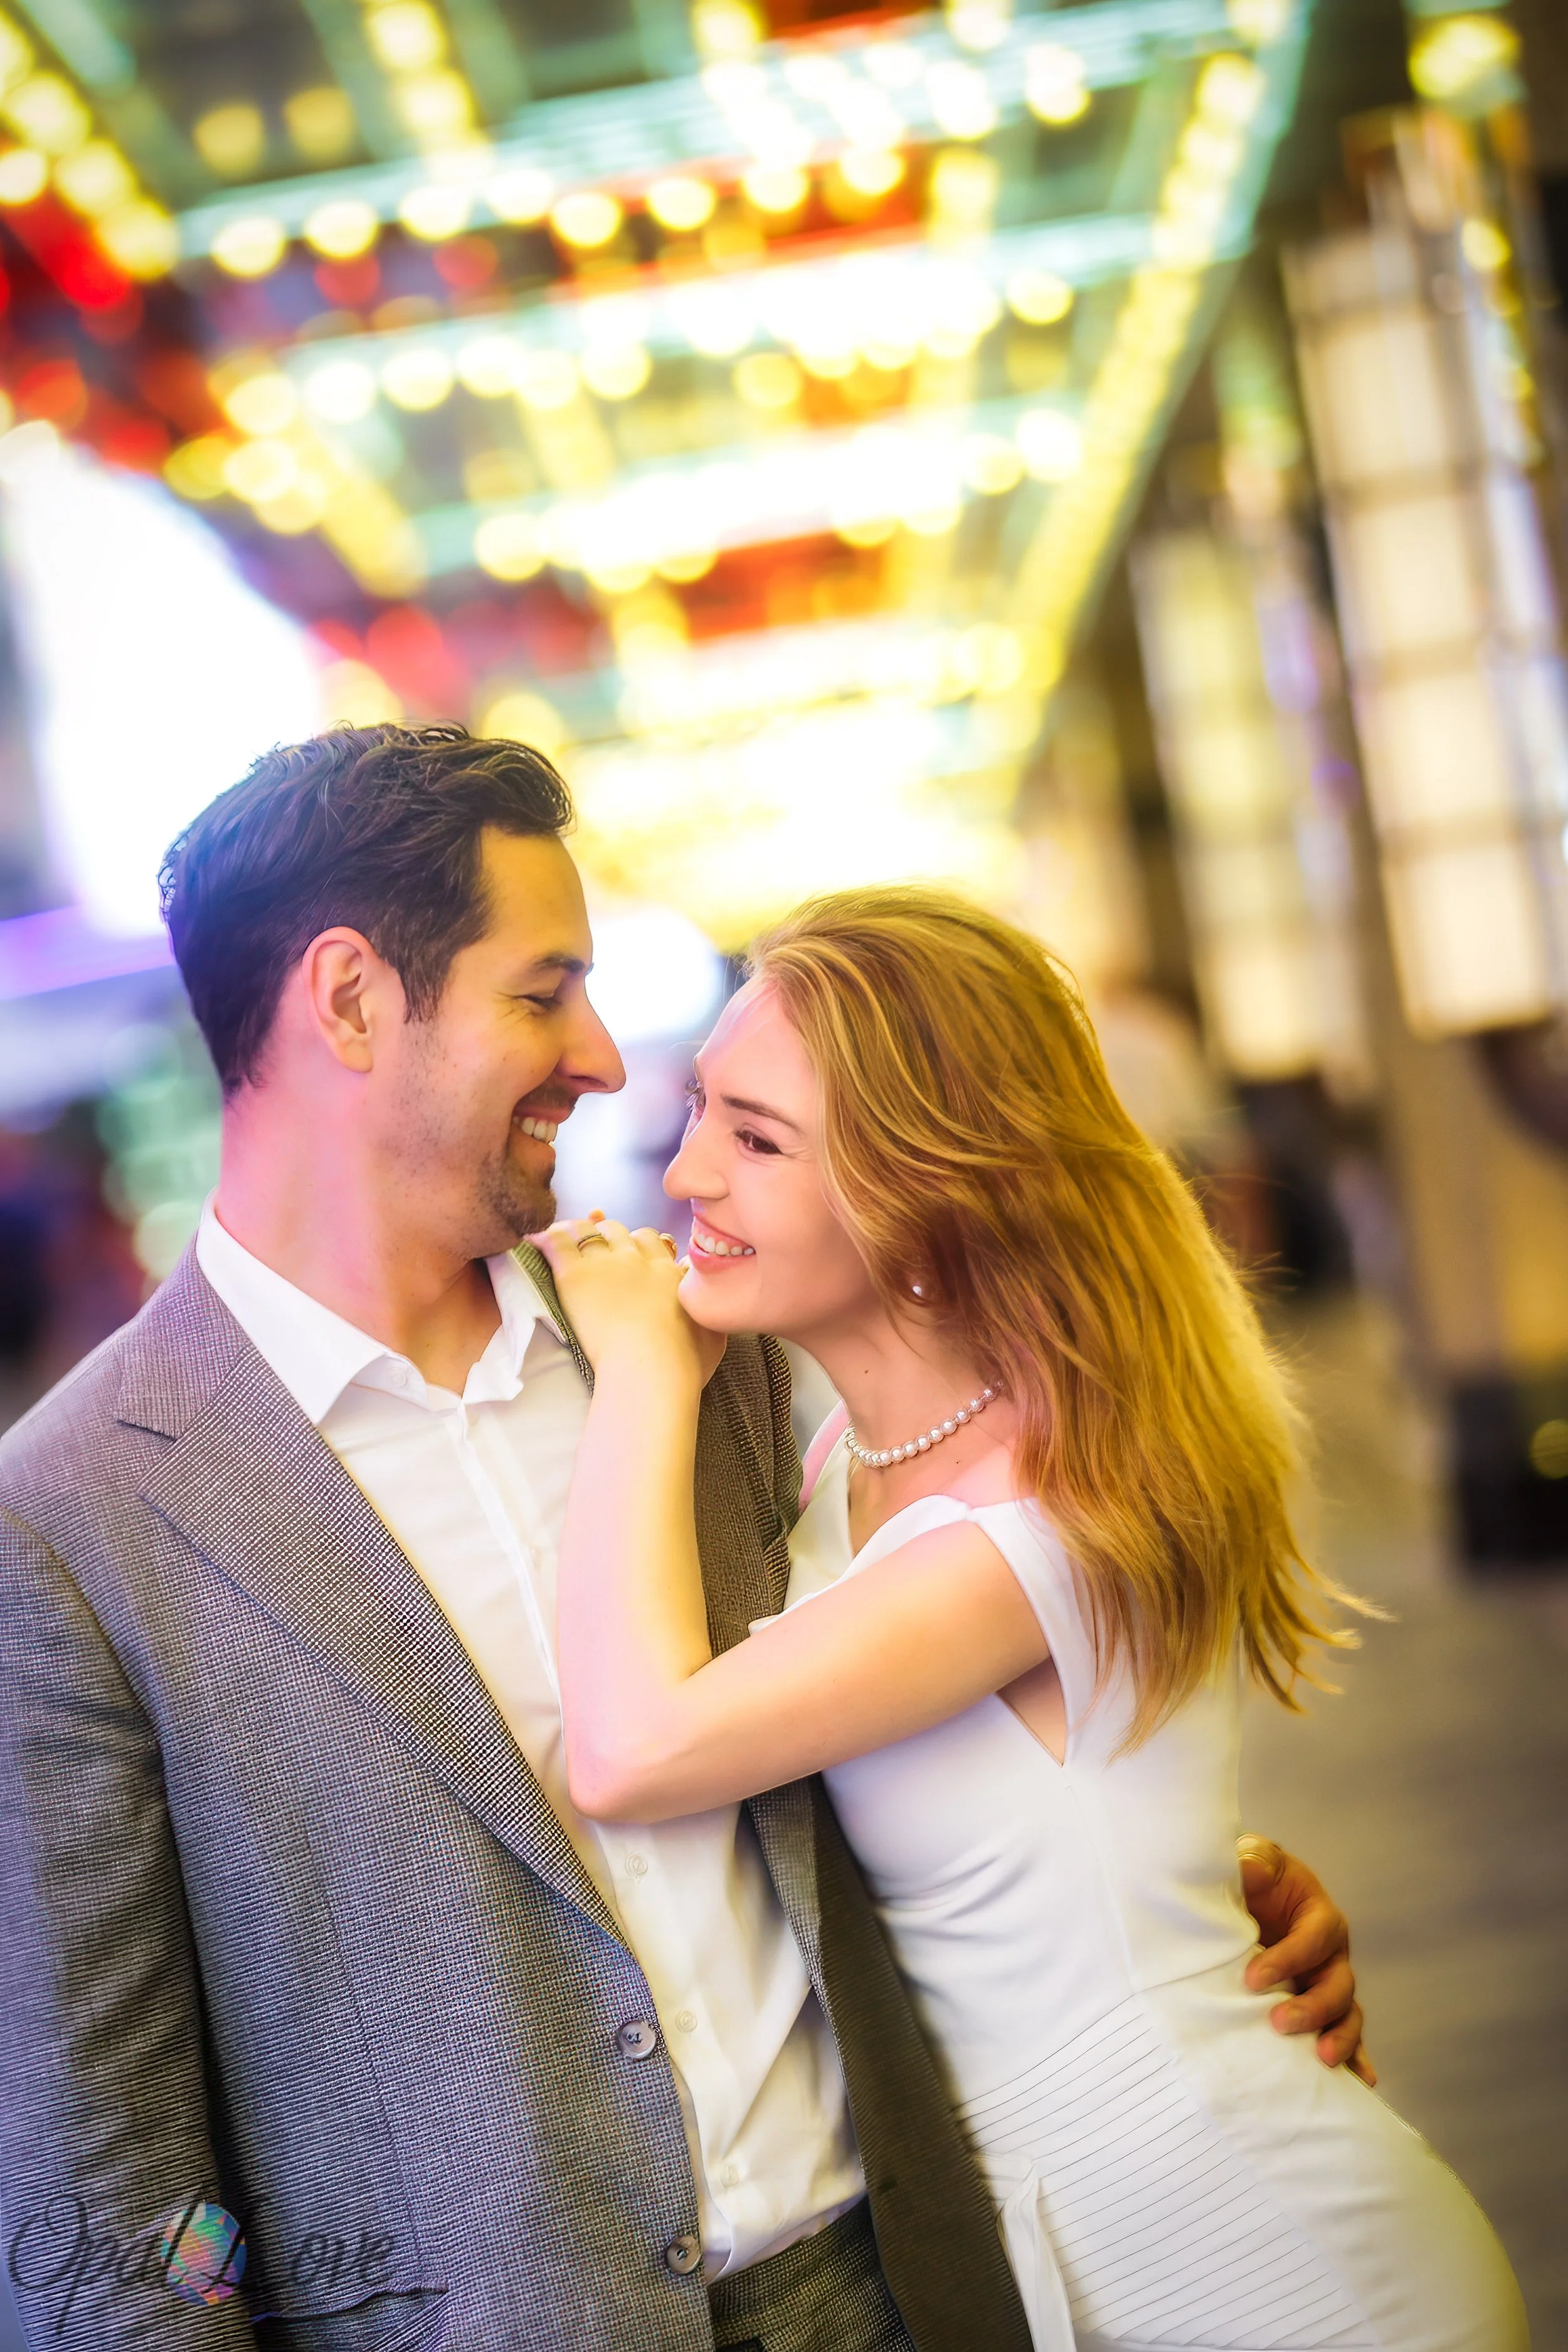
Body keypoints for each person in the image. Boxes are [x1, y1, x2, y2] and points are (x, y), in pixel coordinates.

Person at [0, 730, 1364, 2352]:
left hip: (922, 2284)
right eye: (542, 989)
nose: (599, 1055)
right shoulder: (73, 1519)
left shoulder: (723, 1353)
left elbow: (977, 1664)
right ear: (351, 998)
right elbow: (112, 2193)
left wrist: (1187, 1904)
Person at [538, 885, 1529, 2352]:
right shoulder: (843, 1473)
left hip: (1258, 2262)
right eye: (701, 1115)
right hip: (1070, 2258)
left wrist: (642, 1373)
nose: (685, 1172)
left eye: (755, 1140)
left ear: (921, 1186)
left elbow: (627, 1751)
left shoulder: (1025, 1520)